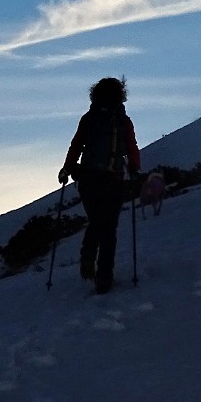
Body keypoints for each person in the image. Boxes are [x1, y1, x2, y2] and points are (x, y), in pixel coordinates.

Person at [59, 77, 141, 293]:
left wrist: (67, 168)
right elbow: (132, 147)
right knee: (109, 227)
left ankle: (88, 255)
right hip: (113, 178)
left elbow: (76, 144)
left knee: (96, 220)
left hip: (88, 178)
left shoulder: (88, 118)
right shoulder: (123, 121)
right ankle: (104, 277)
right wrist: (135, 169)